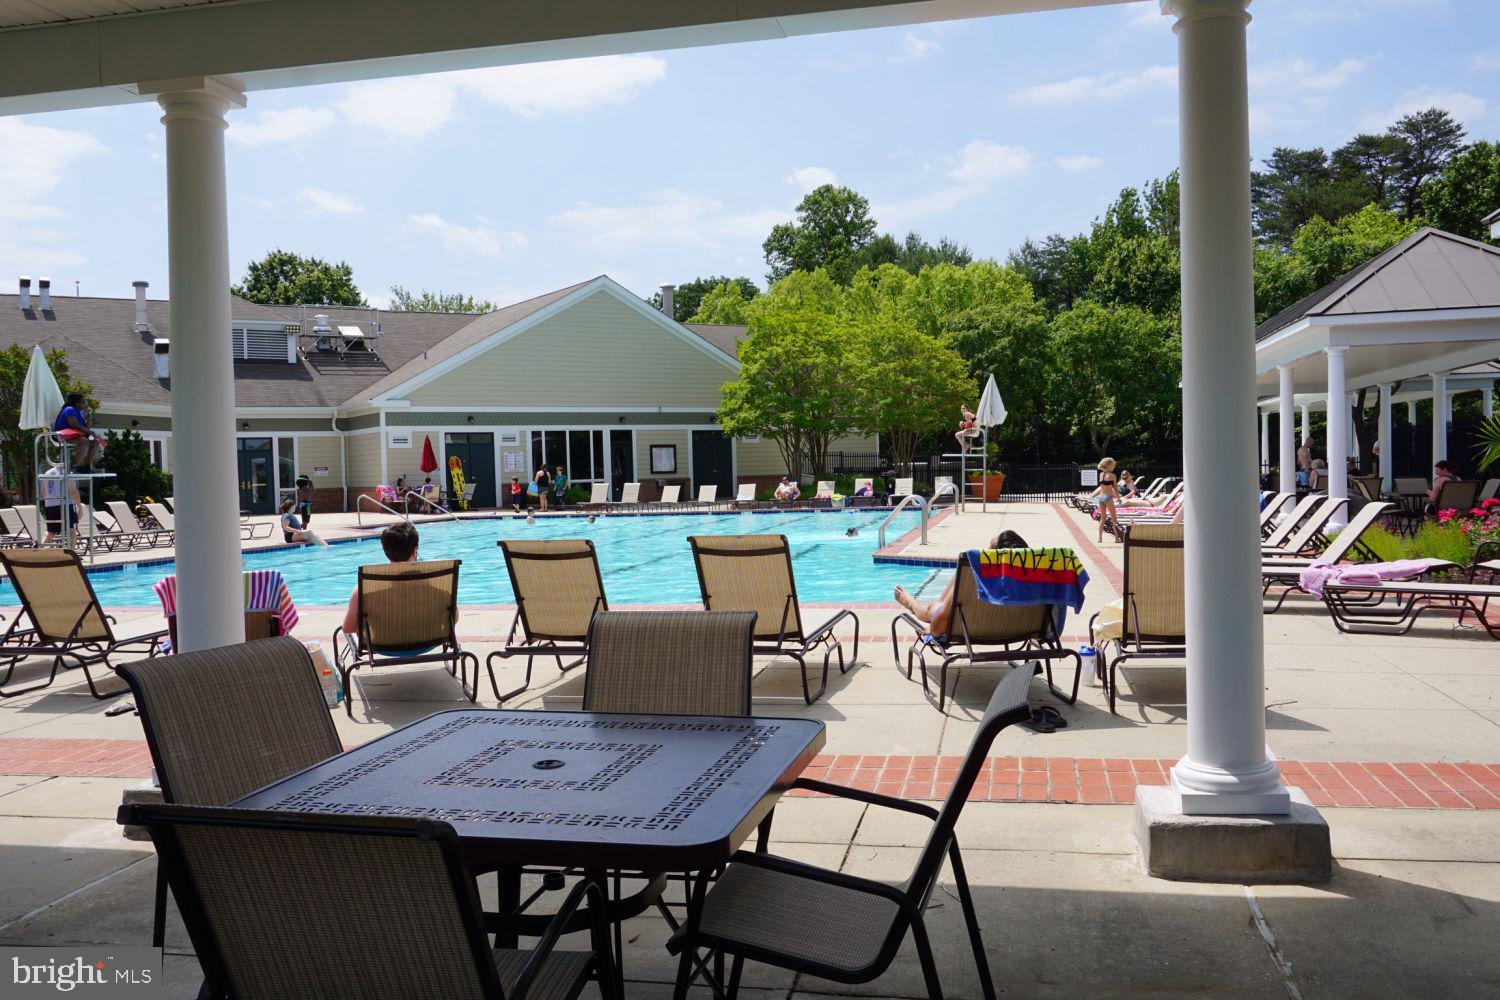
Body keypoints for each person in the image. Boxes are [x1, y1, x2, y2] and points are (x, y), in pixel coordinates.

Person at [893, 530, 1030, 636]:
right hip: (1014, 631)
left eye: (988, 550)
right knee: (941, 605)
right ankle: (932, 604)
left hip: (972, 627)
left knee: (931, 609)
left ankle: (911, 603)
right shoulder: (1032, 582)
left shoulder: (973, 579)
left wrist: (932, 628)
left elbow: (938, 628)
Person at [342, 521, 451, 636]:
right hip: (428, 641)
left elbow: (348, 628)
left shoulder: (364, 588)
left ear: (385, 552)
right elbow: (454, 618)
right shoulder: (439, 581)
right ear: (415, 550)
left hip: (383, 645)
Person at [54, 393, 103, 472]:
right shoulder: (69, 409)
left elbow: (87, 428)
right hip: (61, 436)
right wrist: (90, 432)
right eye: (84, 402)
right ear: (77, 403)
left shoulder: (79, 413)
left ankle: (87, 466)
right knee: (84, 441)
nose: (85, 404)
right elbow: (74, 425)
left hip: (74, 436)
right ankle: (77, 467)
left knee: (96, 442)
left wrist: (89, 415)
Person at [40, 459, 81, 542]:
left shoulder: (47, 473)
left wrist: (49, 503)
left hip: (50, 504)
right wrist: (79, 507)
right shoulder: (67, 473)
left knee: (51, 531)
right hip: (65, 504)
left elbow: (43, 492)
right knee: (72, 530)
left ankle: (40, 548)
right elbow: (73, 491)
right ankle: (70, 553)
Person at [1083, 458, 1119, 542]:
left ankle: (1100, 538)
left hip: (1101, 498)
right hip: (1108, 497)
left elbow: (1102, 486)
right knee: (1114, 519)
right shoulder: (1112, 476)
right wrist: (1118, 498)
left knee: (1102, 519)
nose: (1114, 467)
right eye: (1113, 465)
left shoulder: (1101, 475)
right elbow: (1116, 489)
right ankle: (1117, 538)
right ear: (1109, 465)